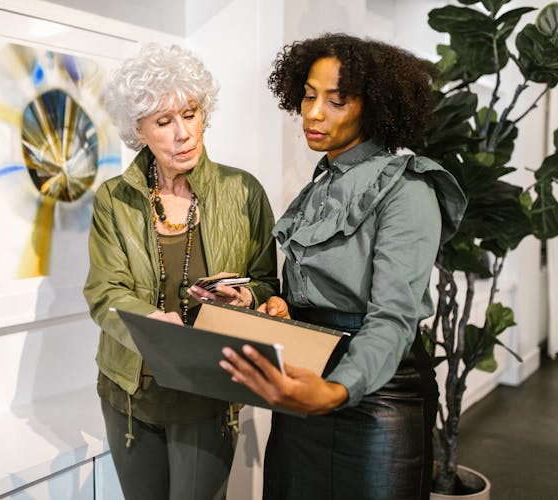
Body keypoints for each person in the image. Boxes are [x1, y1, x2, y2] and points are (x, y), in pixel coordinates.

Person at [216, 33, 467, 500]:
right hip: (305, 382)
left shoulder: (408, 191)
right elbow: (314, 295)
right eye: (309, 96)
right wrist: (272, 303)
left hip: (377, 397)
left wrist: (334, 391)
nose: (313, 112)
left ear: (374, 107)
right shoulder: (322, 185)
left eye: (337, 101)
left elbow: (393, 319)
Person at [83, 43, 279, 500]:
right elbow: (103, 290)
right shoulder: (115, 199)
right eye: (164, 122)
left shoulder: (242, 191)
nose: (183, 134)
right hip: (131, 393)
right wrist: (151, 325)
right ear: (139, 130)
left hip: (207, 393)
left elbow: (267, 281)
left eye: (190, 114)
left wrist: (247, 298)